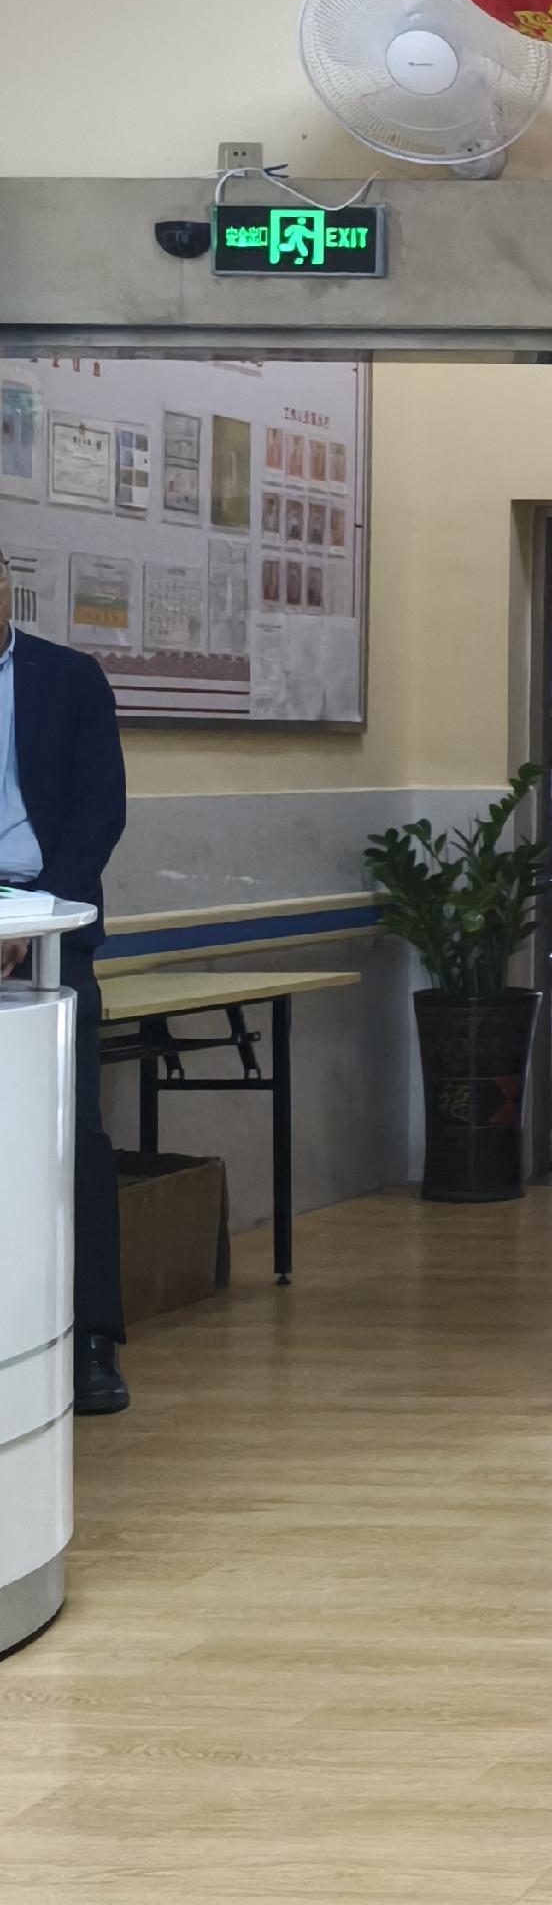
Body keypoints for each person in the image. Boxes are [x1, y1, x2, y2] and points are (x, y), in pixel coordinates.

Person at [0, 554, 132, 1417]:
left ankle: (91, 1342)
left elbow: (99, 811)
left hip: (49, 925)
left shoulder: (69, 679)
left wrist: (34, 915)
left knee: (71, 1133)